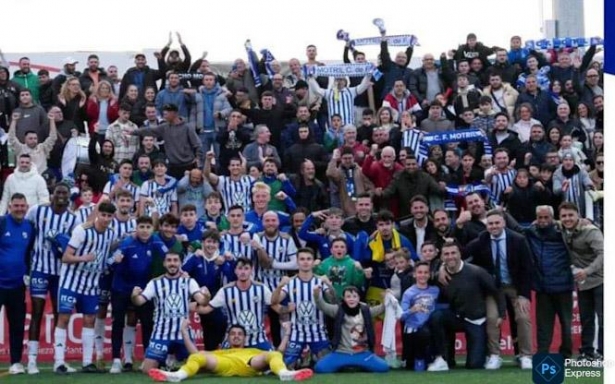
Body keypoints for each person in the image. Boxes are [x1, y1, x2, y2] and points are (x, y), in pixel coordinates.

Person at [463, 209, 534, 370]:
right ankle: (494, 355)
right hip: (494, 289)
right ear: (486, 225)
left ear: (503, 223)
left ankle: (526, 355)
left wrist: (524, 295)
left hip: (516, 287)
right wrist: (443, 268)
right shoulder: (482, 240)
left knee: (523, 317)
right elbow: (462, 254)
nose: (493, 226)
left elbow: (527, 269)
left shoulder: (518, 240)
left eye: (496, 223)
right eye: (490, 224)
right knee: (492, 318)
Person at [53, 201, 118, 374]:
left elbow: (105, 256)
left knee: (90, 320)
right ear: (98, 214)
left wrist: (112, 260)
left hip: (91, 284)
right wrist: (84, 258)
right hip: (71, 281)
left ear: (112, 217)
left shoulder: (111, 234)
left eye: (109, 216)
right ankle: (59, 363)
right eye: (103, 215)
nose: (105, 219)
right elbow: (66, 257)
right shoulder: (82, 230)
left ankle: (87, 363)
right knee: (64, 319)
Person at [25, 183, 79, 374]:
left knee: (60, 315)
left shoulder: (73, 219)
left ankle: (59, 361)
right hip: (39, 270)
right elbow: (27, 234)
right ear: (52, 194)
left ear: (68, 196)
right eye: (58, 193)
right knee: (37, 313)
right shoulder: (37, 211)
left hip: (61, 273)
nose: (62, 196)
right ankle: (32, 361)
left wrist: (61, 247)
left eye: (65, 193)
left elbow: (74, 245)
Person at [147, 321, 313, 382]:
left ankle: (284, 374)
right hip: (224, 364)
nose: (236, 337)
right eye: (233, 334)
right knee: (198, 356)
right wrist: (184, 332)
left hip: (250, 364)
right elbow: (195, 354)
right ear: (228, 337)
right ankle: (177, 376)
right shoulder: (220, 352)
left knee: (275, 354)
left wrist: (288, 333)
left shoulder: (253, 350)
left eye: (239, 334)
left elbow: (280, 351)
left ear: (244, 338)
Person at [429, 241, 504, 370]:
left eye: (453, 253)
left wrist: (501, 314)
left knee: (474, 365)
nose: (450, 256)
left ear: (460, 254)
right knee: (436, 317)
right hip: (456, 317)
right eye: (446, 254)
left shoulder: (477, 272)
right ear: (442, 257)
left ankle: (484, 353)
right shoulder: (440, 277)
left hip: (476, 320)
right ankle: (442, 358)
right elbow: (424, 279)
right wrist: (441, 268)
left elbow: (496, 291)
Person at [109, 216, 168, 374]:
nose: (144, 230)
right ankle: (116, 360)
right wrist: (115, 260)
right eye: (141, 227)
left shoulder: (155, 240)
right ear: (137, 228)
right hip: (121, 287)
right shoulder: (128, 242)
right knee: (118, 322)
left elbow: (169, 257)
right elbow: (110, 262)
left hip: (144, 289)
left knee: (147, 322)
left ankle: (147, 360)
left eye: (148, 227)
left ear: (152, 229)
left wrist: (179, 271)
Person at [132, 252, 208, 374]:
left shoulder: (189, 282)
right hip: (161, 334)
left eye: (175, 260)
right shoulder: (155, 283)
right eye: (169, 260)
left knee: (200, 367)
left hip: (183, 335)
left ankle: (171, 363)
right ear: (164, 263)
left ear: (180, 263)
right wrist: (134, 296)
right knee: (147, 370)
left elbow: (202, 301)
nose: (172, 263)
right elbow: (139, 301)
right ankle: (167, 364)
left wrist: (207, 296)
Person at [525, 205, 573, 358]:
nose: (543, 220)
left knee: (566, 323)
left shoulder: (564, 232)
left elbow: (578, 226)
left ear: (553, 218)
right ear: (536, 218)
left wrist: (586, 220)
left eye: (546, 217)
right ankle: (542, 353)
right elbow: (514, 226)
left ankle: (566, 354)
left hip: (563, 286)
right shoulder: (531, 232)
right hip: (543, 288)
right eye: (540, 217)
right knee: (543, 325)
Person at [271, 248, 331, 368]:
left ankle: (310, 358)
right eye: (302, 259)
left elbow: (334, 302)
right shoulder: (290, 282)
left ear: (313, 262)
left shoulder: (320, 280)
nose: (305, 262)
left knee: (325, 368)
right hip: (297, 334)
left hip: (318, 333)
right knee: (287, 366)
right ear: (297, 262)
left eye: (309, 259)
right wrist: (279, 287)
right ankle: (304, 358)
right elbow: (273, 302)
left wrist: (329, 284)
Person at [559, 202, 603, 361]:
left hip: (601, 280)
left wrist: (587, 271)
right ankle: (587, 352)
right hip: (583, 283)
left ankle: (603, 352)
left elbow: (603, 255)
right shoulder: (563, 230)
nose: (567, 218)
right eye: (563, 216)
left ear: (578, 215)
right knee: (586, 319)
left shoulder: (591, 231)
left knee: (604, 318)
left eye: (570, 215)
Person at [198, 257, 274, 350]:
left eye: (246, 268)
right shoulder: (225, 291)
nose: (243, 272)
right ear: (235, 271)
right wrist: (190, 305)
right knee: (219, 363)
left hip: (258, 339)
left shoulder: (262, 288)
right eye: (240, 268)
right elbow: (206, 309)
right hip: (232, 340)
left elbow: (276, 305)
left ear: (251, 271)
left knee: (274, 360)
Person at [313, 285, 389, 373]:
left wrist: (386, 298)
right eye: (348, 296)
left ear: (359, 298)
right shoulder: (338, 310)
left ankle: (359, 365)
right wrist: (317, 295)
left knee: (383, 367)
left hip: (362, 353)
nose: (351, 299)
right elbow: (322, 306)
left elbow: (382, 308)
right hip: (341, 353)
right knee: (320, 368)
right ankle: (346, 365)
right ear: (344, 298)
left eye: (354, 296)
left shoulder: (366, 311)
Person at [0, 193, 35, 375]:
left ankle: (15, 362)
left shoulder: (30, 227)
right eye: (16, 206)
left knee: (17, 325)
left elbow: (29, 253)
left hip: (17, 285)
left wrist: (27, 274)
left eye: (22, 206)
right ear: (10, 206)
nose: (20, 209)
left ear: (27, 206)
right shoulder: (2, 223)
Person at [400, 261, 439, 371]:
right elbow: (401, 315)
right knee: (410, 365)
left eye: (426, 272)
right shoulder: (409, 293)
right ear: (414, 274)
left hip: (429, 327)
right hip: (413, 330)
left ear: (429, 274)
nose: (423, 275)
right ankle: (418, 358)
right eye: (420, 272)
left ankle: (430, 358)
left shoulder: (435, 290)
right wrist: (412, 310)